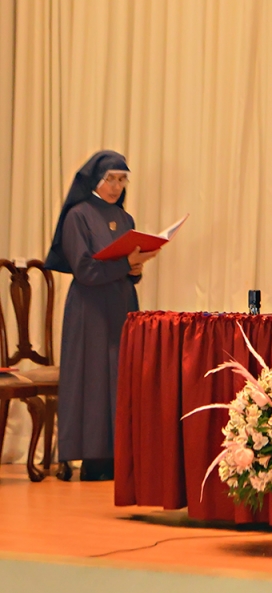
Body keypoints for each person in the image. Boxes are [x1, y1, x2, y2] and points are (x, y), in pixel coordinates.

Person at [43, 150, 158, 481]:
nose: (117, 186)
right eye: (111, 179)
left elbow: (126, 269)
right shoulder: (77, 216)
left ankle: (118, 454)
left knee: (119, 378)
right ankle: (92, 459)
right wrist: (126, 265)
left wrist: (135, 270)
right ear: (95, 180)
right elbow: (84, 270)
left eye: (122, 180)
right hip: (89, 310)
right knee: (92, 380)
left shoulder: (125, 219)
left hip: (121, 306)